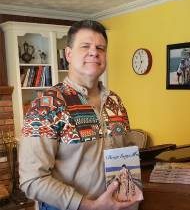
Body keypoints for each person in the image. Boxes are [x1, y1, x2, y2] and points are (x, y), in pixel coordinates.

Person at [19, 20, 139, 210]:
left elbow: (127, 154)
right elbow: (32, 179)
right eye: (85, 46)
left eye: (100, 47)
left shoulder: (115, 102)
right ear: (68, 54)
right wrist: (90, 205)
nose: (94, 52)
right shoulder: (46, 106)